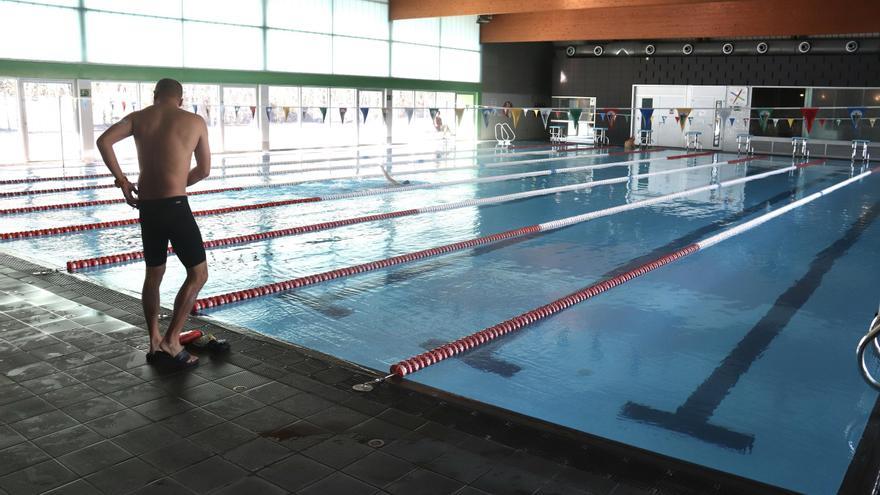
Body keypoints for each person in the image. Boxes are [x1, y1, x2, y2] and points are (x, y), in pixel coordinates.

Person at [96, 78, 210, 370]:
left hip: (147, 208)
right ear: (180, 100)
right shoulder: (194, 121)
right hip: (175, 206)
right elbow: (205, 170)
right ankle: (172, 341)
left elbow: (103, 141)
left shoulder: (138, 118)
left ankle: (154, 340)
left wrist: (122, 181)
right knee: (198, 275)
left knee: (153, 274)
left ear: (155, 96)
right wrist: (179, 183)